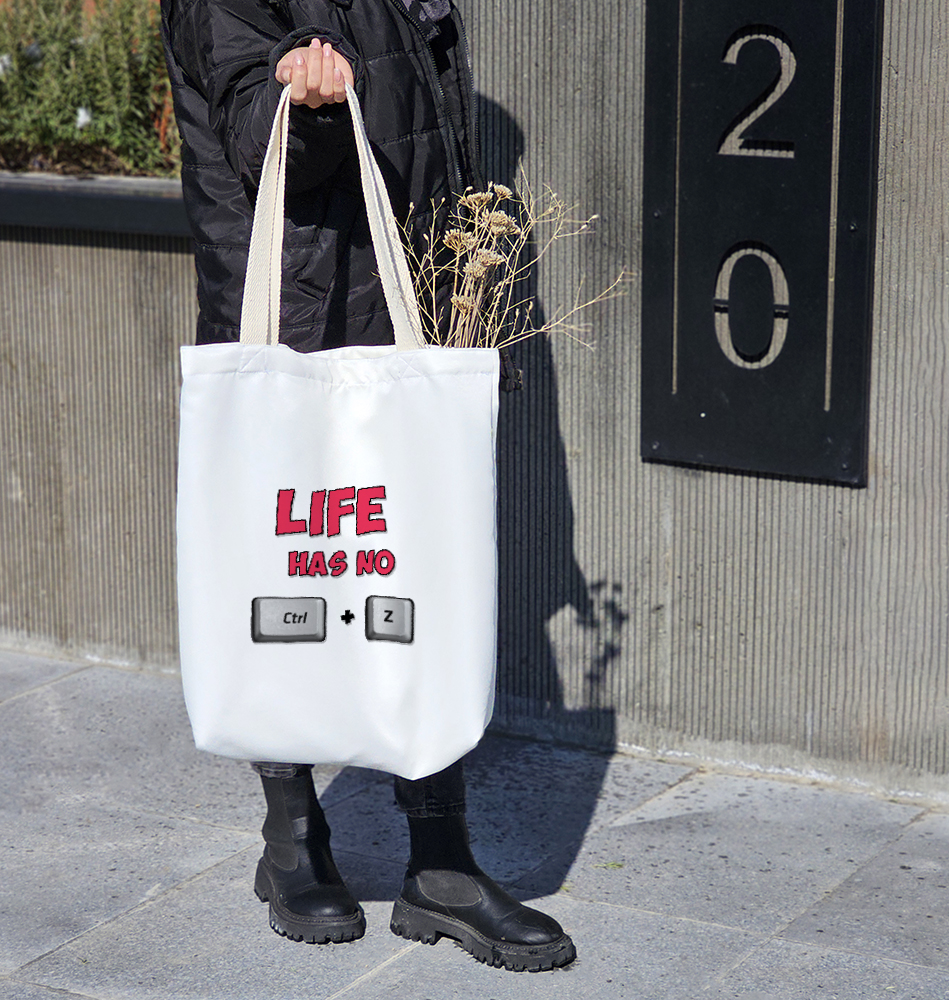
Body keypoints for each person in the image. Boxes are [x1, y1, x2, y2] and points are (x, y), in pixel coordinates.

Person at [159, 0, 574, 973]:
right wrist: (301, 106)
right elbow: (254, 135)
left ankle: (442, 861)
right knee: (288, 568)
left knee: (415, 573)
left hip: (400, 299)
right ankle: (293, 837)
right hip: (297, 301)